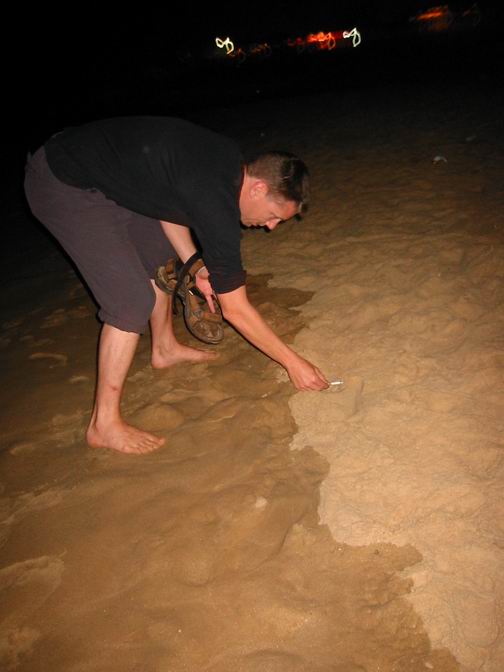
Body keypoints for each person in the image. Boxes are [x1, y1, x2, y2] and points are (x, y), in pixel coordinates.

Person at [24, 116, 329, 455]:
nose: (270, 226)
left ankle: (164, 348)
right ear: (258, 189)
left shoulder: (227, 163)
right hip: (62, 179)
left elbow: (168, 202)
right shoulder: (217, 202)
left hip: (105, 175)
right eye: (273, 215)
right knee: (130, 301)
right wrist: (293, 362)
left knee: (160, 258)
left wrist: (195, 264)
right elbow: (235, 309)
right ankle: (103, 424)